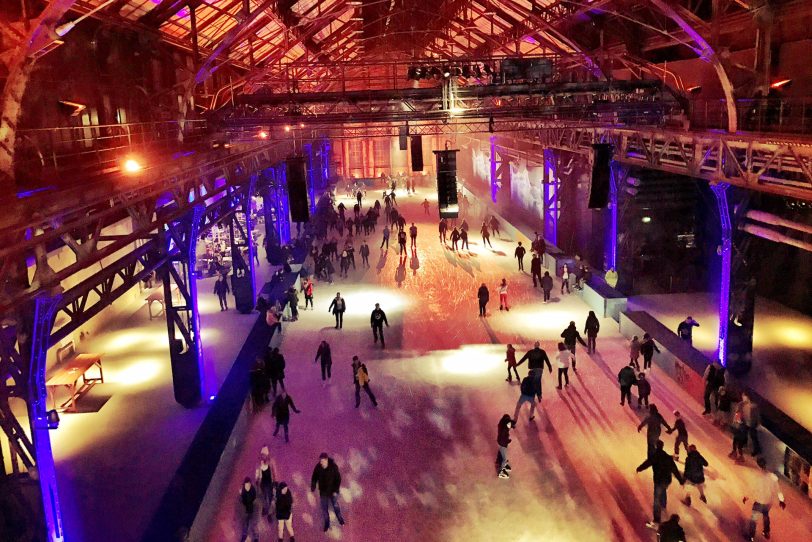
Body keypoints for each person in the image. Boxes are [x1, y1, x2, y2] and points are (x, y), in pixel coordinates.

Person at [635, 439, 684, 529]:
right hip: (667, 480)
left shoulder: (655, 456)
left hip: (659, 480)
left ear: (657, 446)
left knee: (656, 499)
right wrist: (680, 480)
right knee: (663, 490)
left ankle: (657, 520)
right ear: (662, 446)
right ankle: (664, 505)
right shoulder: (667, 457)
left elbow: (647, 463)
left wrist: (639, 468)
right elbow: (674, 469)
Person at [744, 457, 786, 541]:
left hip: (759, 502)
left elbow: (752, 490)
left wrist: (746, 497)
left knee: (754, 519)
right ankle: (766, 532)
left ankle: (751, 536)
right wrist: (781, 500)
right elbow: (778, 490)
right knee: (766, 515)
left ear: (758, 466)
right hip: (768, 502)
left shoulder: (757, 478)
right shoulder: (773, 477)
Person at [311, 453, 345, 532]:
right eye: (320, 461)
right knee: (324, 509)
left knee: (336, 506)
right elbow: (314, 477)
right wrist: (313, 486)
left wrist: (336, 490)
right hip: (323, 493)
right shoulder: (318, 467)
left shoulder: (333, 467)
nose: (321, 463)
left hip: (332, 491)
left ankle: (340, 519)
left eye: (322, 461)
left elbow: (338, 479)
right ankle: (327, 523)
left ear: (326, 460)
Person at [255, 446, 275, 518]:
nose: (263, 456)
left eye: (264, 455)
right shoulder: (259, 463)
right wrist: (257, 479)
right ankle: (265, 508)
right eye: (262, 454)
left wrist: (275, 481)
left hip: (270, 483)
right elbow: (257, 472)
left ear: (267, 455)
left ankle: (269, 512)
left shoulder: (271, 462)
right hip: (262, 484)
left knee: (270, 497)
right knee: (263, 496)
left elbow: (274, 471)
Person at [496, 414, 514, 479]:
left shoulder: (503, 426)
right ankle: (501, 471)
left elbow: (511, 424)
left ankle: (498, 461)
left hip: (501, 442)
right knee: (504, 458)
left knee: (500, 451)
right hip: (503, 443)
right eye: (509, 424)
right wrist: (508, 441)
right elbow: (504, 438)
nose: (510, 425)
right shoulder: (504, 430)